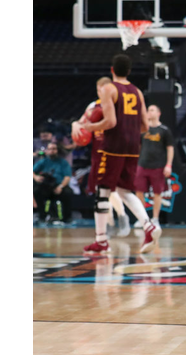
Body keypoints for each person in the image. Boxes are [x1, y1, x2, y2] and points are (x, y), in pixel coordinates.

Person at [73, 54, 161, 254]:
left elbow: (110, 122)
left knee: (102, 192)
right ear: (129, 71)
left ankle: (101, 240)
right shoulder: (137, 92)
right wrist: (128, 133)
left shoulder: (108, 89)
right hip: (133, 146)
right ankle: (148, 226)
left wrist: (89, 126)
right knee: (124, 190)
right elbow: (145, 126)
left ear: (112, 70)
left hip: (112, 145)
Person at [81, 78, 130, 236]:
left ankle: (122, 216)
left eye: (102, 89)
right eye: (98, 89)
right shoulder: (92, 106)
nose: (99, 92)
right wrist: (76, 125)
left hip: (113, 150)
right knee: (99, 190)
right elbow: (82, 122)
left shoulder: (116, 105)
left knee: (110, 189)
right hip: (97, 150)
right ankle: (108, 223)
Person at [134, 104, 175, 226]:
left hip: (158, 166)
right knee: (138, 192)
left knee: (158, 193)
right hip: (142, 164)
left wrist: (168, 165)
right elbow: (138, 147)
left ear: (158, 113)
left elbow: (170, 148)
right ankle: (143, 219)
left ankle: (155, 219)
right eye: (148, 110)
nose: (149, 112)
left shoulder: (164, 130)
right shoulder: (143, 129)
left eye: (152, 110)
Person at [33, 142, 73, 224]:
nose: (52, 151)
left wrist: (60, 187)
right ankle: (42, 216)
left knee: (68, 193)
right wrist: (36, 177)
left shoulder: (63, 162)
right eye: (50, 149)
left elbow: (67, 177)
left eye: (54, 149)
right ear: (47, 150)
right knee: (36, 191)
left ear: (57, 150)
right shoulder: (43, 161)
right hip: (46, 187)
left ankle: (66, 218)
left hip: (59, 186)